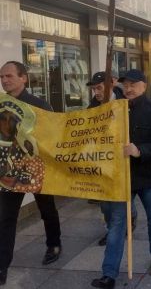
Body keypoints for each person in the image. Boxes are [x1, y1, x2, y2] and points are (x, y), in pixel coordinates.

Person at [91, 69, 151, 289]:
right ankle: (109, 274)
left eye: (134, 84)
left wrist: (140, 150)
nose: (129, 89)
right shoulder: (113, 110)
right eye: (126, 85)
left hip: (148, 176)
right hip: (120, 177)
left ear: (144, 86)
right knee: (116, 224)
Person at [0, 61, 62, 287]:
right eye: (2, 77)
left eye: (9, 76)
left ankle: (54, 243)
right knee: (6, 218)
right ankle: (2, 265)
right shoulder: (0, 105)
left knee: (47, 208)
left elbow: (53, 135)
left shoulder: (39, 105)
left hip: (36, 168)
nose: (5, 80)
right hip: (9, 170)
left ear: (23, 78)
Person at [85, 71, 137, 247]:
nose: (96, 92)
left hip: (123, 158)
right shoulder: (92, 107)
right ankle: (112, 228)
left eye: (99, 88)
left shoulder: (126, 102)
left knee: (124, 197)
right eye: (93, 89)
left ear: (110, 86)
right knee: (105, 203)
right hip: (102, 160)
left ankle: (127, 222)